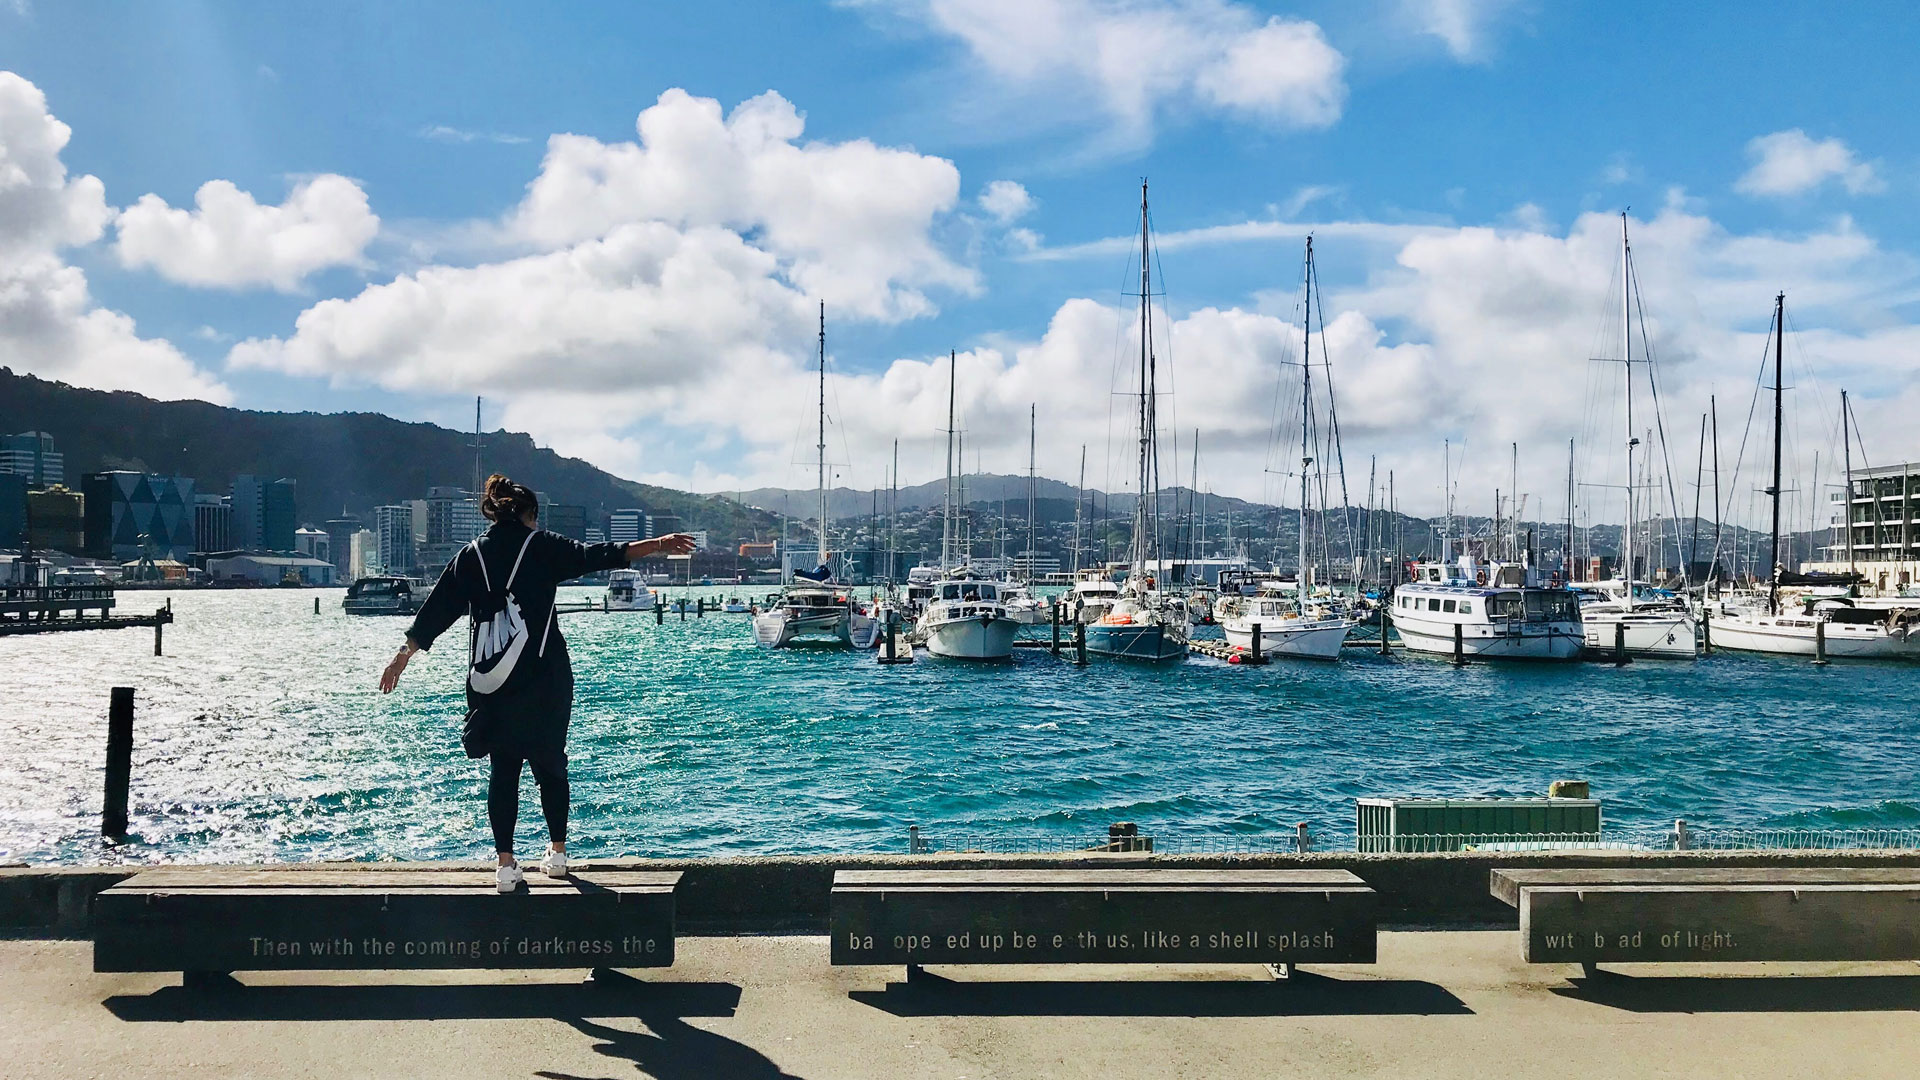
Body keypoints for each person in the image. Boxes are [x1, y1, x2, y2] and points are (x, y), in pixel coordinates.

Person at [378, 474, 695, 892]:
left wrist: (403, 656)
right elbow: (599, 554)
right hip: (545, 679)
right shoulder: (541, 546)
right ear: (529, 514)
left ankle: (506, 866)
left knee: (503, 771)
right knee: (550, 764)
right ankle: (558, 854)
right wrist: (658, 544)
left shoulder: (471, 555)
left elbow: (438, 610)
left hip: (493, 684)